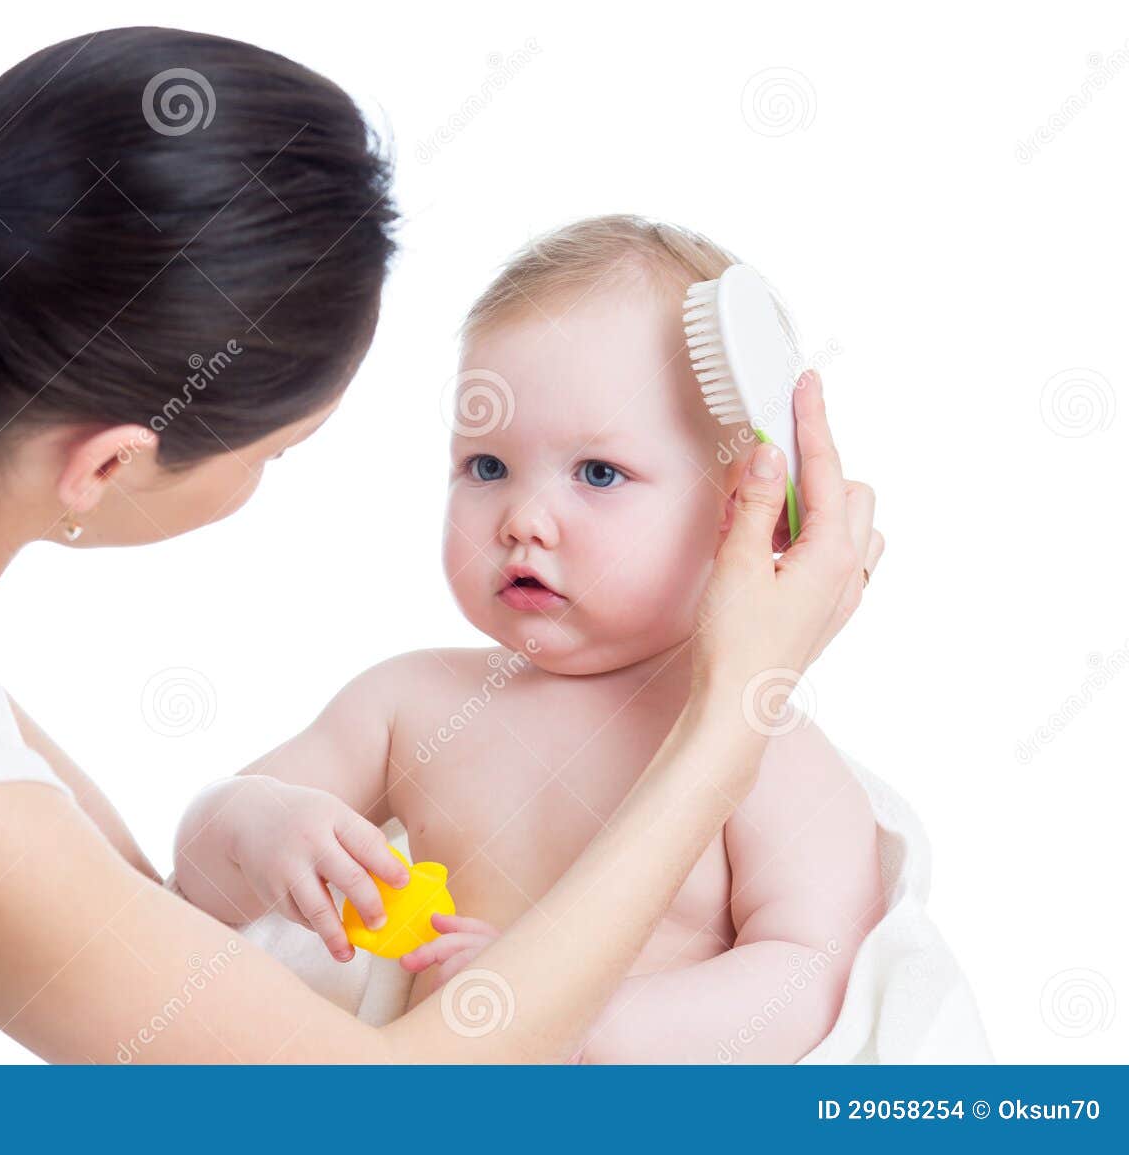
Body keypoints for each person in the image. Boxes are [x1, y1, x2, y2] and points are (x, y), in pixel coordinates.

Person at [0, 28, 880, 1064]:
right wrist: (725, 717)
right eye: (274, 456)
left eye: (601, 471)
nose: (527, 514)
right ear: (112, 461)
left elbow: (130, 906)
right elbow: (362, 1100)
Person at [173, 215, 887, 1063]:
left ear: (747, 507)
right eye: (486, 466)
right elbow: (191, 887)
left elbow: (819, 974)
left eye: (598, 474)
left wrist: (590, 1021)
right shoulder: (408, 701)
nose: (523, 519)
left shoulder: (762, 744)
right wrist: (257, 823)